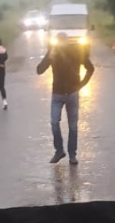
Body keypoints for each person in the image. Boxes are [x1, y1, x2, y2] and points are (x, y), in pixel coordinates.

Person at [36, 32, 95, 165]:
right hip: (57, 93)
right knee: (54, 122)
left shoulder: (76, 52)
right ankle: (59, 151)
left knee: (73, 126)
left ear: (67, 41)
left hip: (72, 93)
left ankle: (72, 155)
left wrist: (81, 84)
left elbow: (90, 68)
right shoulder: (53, 52)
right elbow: (39, 70)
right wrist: (48, 57)